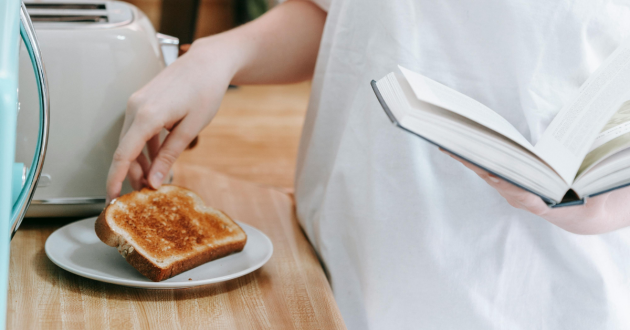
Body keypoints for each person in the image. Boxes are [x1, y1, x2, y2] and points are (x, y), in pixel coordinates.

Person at [106, 0, 630, 328]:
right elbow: (338, 15)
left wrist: (599, 210)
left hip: (530, 297)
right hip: (339, 269)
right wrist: (224, 54)